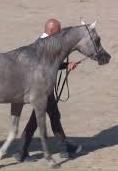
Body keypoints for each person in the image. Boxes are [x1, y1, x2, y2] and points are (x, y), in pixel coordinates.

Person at [13, 19, 82, 162]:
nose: (61, 35)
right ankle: (21, 152)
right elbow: (46, 67)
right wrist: (66, 66)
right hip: (41, 89)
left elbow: (50, 64)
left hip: (43, 87)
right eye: (59, 31)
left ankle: (63, 148)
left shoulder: (42, 42)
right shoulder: (44, 45)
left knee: (54, 116)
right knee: (36, 120)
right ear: (51, 31)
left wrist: (66, 64)